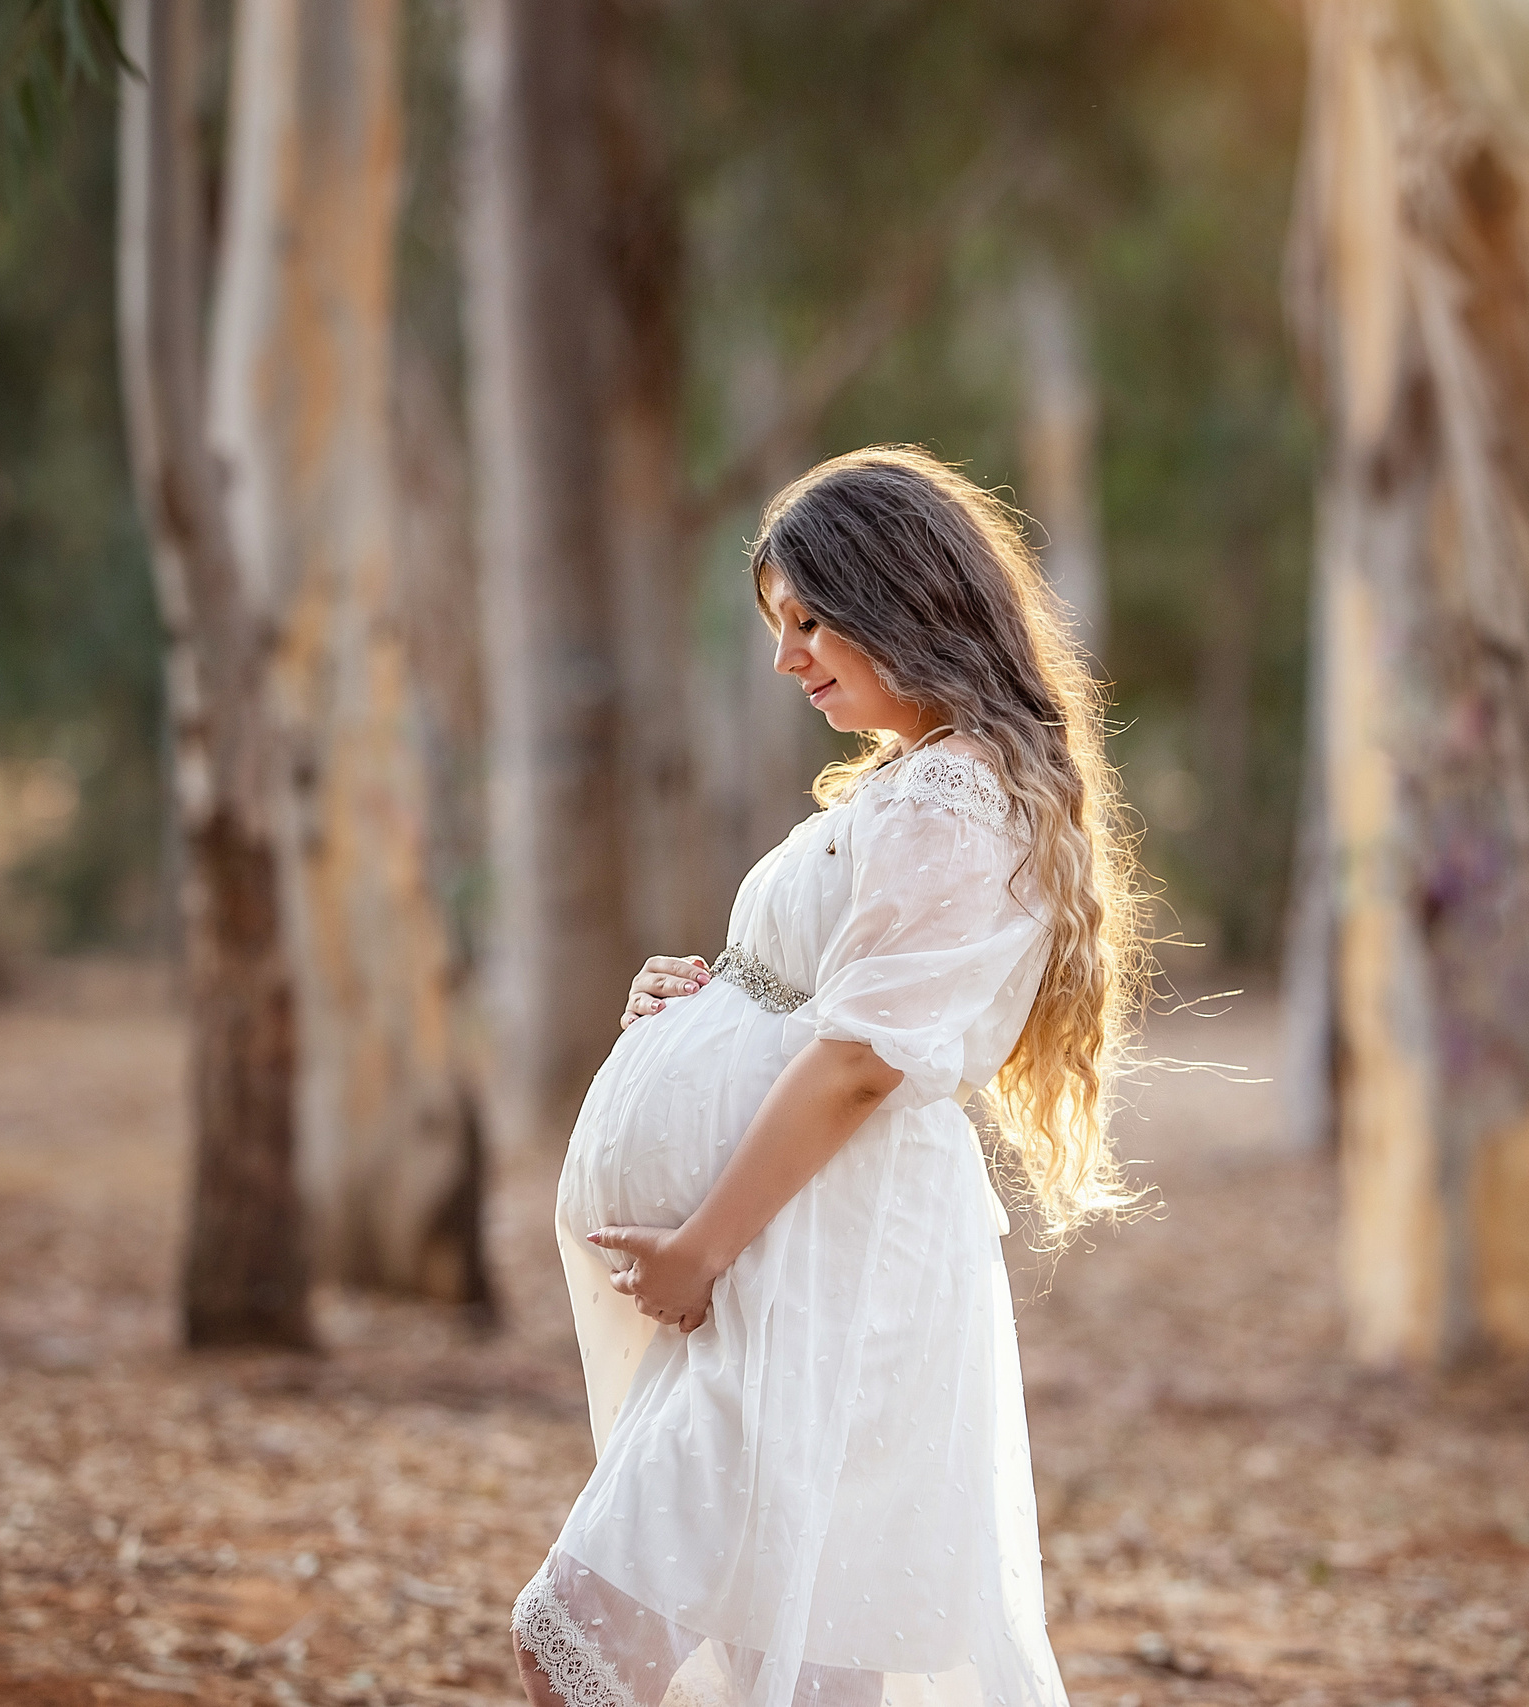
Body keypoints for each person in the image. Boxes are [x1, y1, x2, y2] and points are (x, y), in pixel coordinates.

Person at [510, 446, 1146, 1707]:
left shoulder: (952, 798)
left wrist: (700, 1245)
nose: (789, 655)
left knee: (588, 1641)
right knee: (788, 1661)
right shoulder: (919, 784)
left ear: (898, 599)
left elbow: (859, 1063)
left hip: (820, 1261)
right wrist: (705, 993)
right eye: (779, 625)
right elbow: (822, 1005)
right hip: (797, 1260)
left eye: (811, 620)